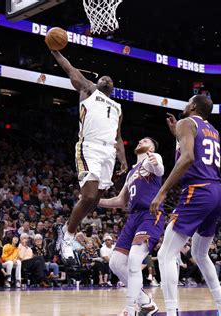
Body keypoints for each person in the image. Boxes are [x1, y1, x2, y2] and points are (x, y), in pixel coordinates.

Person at [150, 95, 221, 316]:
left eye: (187, 102)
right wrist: (177, 135)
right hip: (217, 191)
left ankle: (171, 311)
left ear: (193, 106)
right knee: (200, 253)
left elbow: (187, 158)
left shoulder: (187, 122)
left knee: (166, 254)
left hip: (198, 190)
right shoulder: (212, 130)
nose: (185, 106)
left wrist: (162, 191)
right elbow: (196, 151)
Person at [50, 50, 128, 261]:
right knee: (90, 196)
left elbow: (118, 137)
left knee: (95, 201)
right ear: (97, 82)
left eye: (110, 79)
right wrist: (55, 51)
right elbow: (69, 68)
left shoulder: (118, 108)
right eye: (103, 77)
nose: (106, 79)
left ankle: (66, 231)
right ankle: (66, 236)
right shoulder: (88, 90)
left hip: (109, 152)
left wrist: (122, 158)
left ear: (113, 88)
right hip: (90, 147)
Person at [98, 137, 164, 315]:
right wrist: (94, 201)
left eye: (145, 141)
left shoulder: (152, 159)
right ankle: (146, 303)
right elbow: (120, 201)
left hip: (149, 215)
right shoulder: (131, 173)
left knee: (135, 259)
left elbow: (159, 169)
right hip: (133, 218)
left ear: (151, 147)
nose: (140, 141)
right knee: (116, 263)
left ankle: (130, 309)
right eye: (140, 140)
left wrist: (155, 161)